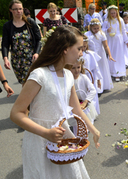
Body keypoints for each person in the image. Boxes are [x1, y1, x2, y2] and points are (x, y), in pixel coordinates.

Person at [10, 25, 100, 178]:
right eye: (78, 48)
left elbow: (76, 109)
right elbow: (16, 113)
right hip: (39, 140)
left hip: (63, 137)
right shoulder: (39, 75)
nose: (81, 52)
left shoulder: (68, 75)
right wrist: (46, 133)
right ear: (65, 48)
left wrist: (93, 129)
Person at [2, 0, 41, 84]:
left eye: (20, 9)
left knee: (32, 81)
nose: (18, 11)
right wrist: (5, 58)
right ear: (11, 10)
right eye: (15, 9)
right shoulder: (7, 26)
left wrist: (36, 53)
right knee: (23, 82)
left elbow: (38, 39)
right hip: (17, 60)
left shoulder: (30, 22)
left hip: (31, 58)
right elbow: (5, 43)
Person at [102, 5, 128, 81]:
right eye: (111, 13)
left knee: (119, 56)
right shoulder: (106, 20)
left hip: (119, 41)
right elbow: (102, 30)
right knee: (112, 55)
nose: (113, 15)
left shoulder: (120, 20)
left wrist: (127, 41)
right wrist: (106, 30)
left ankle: (120, 72)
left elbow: (123, 31)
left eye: (114, 13)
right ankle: (113, 73)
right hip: (111, 40)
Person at [85, 18, 115, 91]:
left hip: (100, 54)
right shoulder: (87, 34)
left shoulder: (102, 34)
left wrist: (110, 55)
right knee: (92, 69)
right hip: (91, 54)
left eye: (98, 28)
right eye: (94, 28)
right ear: (91, 28)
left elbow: (106, 46)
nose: (96, 30)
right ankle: (93, 87)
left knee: (101, 69)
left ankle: (102, 86)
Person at [69, 59, 98, 124]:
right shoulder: (68, 79)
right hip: (74, 105)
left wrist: (85, 102)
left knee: (87, 122)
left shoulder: (84, 77)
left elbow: (93, 90)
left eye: (78, 67)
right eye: (73, 68)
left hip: (85, 104)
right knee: (77, 123)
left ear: (81, 67)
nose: (76, 70)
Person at [81, 34, 102, 113]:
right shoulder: (76, 54)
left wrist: (98, 80)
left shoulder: (90, 54)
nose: (83, 48)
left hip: (89, 77)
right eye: (81, 46)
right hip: (80, 77)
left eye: (85, 46)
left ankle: (92, 112)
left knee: (91, 94)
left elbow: (96, 68)